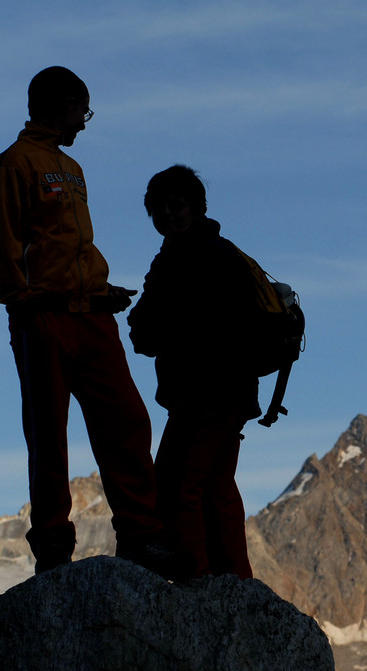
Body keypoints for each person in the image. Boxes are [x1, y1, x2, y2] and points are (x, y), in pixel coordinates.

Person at [0, 66, 180, 577]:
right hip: (42, 317)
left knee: (127, 423)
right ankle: (53, 547)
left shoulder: (71, 168)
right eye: (82, 111)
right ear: (63, 103)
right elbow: (3, 242)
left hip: (93, 317)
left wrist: (99, 289)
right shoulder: (15, 164)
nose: (85, 123)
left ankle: (141, 536)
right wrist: (22, 300)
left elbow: (70, 247)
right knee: (49, 436)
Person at [127, 165, 260, 579]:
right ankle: (234, 582)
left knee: (176, 484)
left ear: (197, 207)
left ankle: (193, 578)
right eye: (158, 210)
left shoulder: (185, 259)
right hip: (230, 394)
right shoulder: (220, 253)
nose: (167, 215)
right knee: (217, 488)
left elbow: (145, 332)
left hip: (205, 395)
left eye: (175, 206)